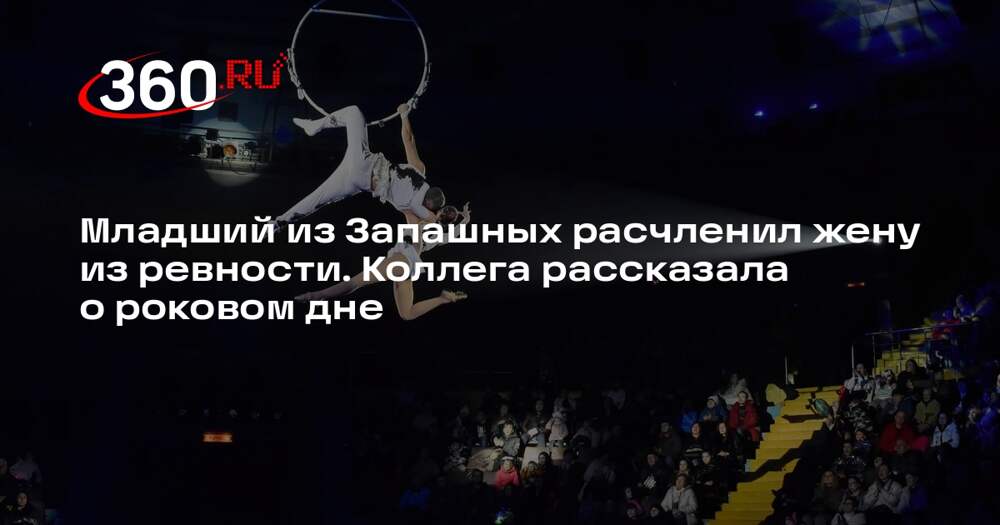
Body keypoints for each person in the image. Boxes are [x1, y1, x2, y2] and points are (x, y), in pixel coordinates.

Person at [273, 103, 446, 226]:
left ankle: (314, 126)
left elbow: (409, 139)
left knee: (354, 112)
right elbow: (421, 229)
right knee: (318, 198)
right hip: (359, 184)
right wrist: (440, 220)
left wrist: (404, 114)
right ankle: (279, 222)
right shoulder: (412, 212)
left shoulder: (419, 171)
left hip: (365, 163)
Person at [293, 204, 470, 320]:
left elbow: (407, 206)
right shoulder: (438, 233)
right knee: (407, 313)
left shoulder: (420, 216)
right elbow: (453, 234)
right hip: (408, 264)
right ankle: (443, 299)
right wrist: (465, 220)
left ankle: (314, 296)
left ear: (439, 211)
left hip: (403, 259)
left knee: (356, 282)